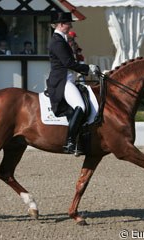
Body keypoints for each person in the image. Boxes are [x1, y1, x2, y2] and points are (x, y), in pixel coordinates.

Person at [47, 12, 98, 155]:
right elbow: (68, 63)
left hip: (67, 78)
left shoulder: (61, 39)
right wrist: (88, 68)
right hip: (61, 81)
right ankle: (70, 141)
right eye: (69, 23)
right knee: (80, 106)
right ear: (62, 24)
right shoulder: (57, 41)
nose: (71, 25)